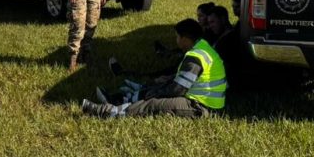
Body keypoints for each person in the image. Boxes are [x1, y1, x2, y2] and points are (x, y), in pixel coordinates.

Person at [82, 19, 227, 118]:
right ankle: (119, 99)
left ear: (184, 39)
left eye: (177, 37)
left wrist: (154, 93)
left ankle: (104, 111)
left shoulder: (195, 57)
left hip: (201, 107)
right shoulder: (201, 47)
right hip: (198, 100)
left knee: (152, 105)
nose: (176, 40)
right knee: (162, 85)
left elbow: (176, 90)